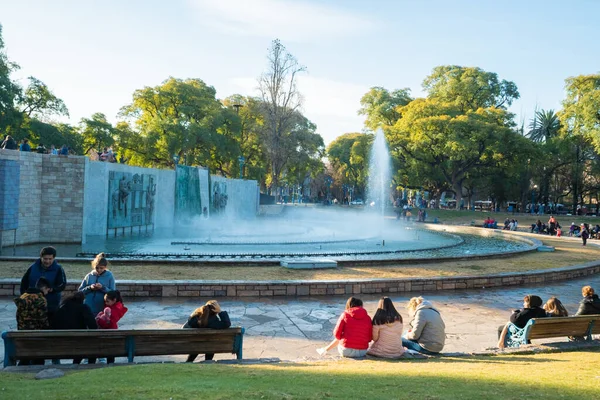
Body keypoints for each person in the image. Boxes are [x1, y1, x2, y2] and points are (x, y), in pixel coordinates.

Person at [20, 246, 66, 322]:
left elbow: (62, 285)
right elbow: (24, 283)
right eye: (45, 259)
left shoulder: (58, 269)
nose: (47, 261)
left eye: (50, 259)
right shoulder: (32, 267)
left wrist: (51, 289)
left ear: (54, 258)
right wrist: (23, 297)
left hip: (51, 305)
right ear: (41, 257)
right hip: (32, 304)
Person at [51, 292, 98, 364]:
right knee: (92, 346)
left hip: (61, 343)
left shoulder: (61, 308)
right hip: (79, 341)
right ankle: (88, 365)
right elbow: (93, 326)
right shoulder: (83, 308)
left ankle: (76, 362)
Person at [14, 277, 51, 365]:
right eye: (48, 290)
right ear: (44, 288)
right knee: (38, 359)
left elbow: (18, 315)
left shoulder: (23, 296)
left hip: (23, 331)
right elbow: (43, 319)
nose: (48, 293)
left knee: (25, 357)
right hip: (37, 334)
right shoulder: (41, 299)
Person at [95, 290, 128, 364]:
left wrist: (99, 320)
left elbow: (109, 323)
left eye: (107, 301)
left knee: (109, 348)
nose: (105, 303)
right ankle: (110, 362)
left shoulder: (114, 310)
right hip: (111, 329)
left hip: (109, 330)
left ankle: (109, 363)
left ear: (114, 300)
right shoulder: (113, 308)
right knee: (110, 348)